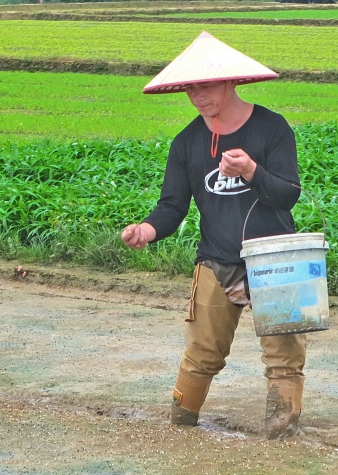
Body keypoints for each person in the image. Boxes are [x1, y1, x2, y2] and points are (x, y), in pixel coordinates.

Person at [120, 32, 306, 439]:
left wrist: (252, 172)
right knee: (202, 353)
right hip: (216, 260)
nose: (197, 96)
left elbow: (288, 195)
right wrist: (146, 230)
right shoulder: (186, 143)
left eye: (205, 86)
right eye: (190, 88)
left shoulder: (272, 129)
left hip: (274, 260)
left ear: (230, 82)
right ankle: (180, 427)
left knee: (283, 357)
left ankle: (283, 436)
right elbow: (172, 206)